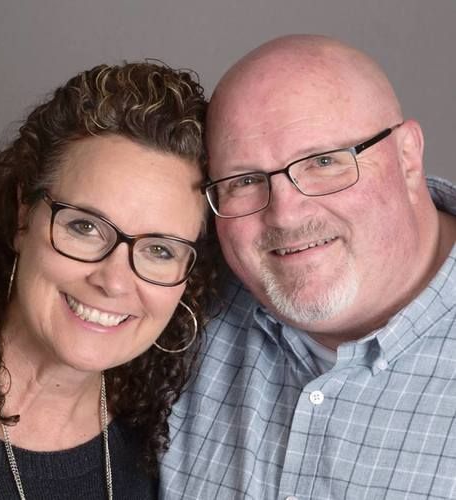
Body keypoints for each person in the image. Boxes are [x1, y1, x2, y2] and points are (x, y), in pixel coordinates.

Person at [159, 35, 456, 499]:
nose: (285, 215)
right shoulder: (171, 309)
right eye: (245, 180)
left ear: (407, 157)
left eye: (323, 161)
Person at [0, 61, 213, 499]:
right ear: (23, 216)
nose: (114, 281)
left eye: (160, 250)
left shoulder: (154, 447)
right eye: (85, 227)